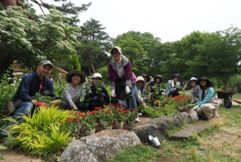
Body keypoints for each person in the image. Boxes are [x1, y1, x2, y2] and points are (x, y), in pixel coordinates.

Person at [1, 60, 56, 138]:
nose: (46, 70)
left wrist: (47, 103)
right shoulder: (28, 78)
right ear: (38, 67)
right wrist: (37, 103)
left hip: (36, 103)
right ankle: (6, 132)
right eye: (44, 67)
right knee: (28, 105)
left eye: (48, 69)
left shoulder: (49, 82)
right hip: (20, 102)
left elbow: (52, 96)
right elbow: (23, 95)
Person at [108, 46, 137, 111]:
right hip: (120, 80)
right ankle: (120, 112)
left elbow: (128, 73)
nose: (116, 54)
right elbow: (111, 76)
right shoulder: (111, 64)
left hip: (131, 80)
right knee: (117, 96)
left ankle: (134, 114)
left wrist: (127, 86)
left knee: (130, 95)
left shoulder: (126, 61)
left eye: (117, 52)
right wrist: (113, 89)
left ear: (120, 53)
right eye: (114, 53)